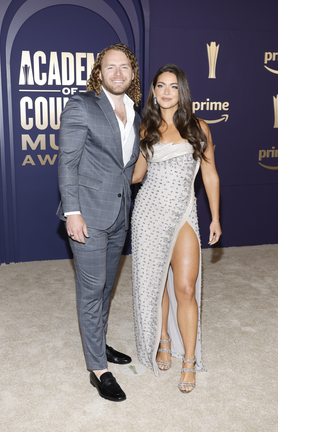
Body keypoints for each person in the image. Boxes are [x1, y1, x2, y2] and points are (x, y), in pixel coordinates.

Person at [56, 43, 142, 402]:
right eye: (111, 67)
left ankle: (99, 343)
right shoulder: (82, 105)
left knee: (106, 288)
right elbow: (67, 162)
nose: (118, 73)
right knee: (92, 292)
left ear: (133, 73)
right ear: (99, 72)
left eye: (124, 67)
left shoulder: (137, 112)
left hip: (120, 214)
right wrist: (72, 212)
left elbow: (128, 166)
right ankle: (97, 369)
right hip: (88, 216)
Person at [130, 63, 221, 394]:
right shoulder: (147, 129)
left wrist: (215, 217)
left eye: (173, 86)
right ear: (153, 91)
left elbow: (209, 174)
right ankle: (163, 339)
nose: (167, 92)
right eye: (161, 86)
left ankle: (189, 361)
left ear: (181, 91)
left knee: (184, 287)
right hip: (148, 214)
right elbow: (137, 176)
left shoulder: (199, 127)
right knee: (156, 286)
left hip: (184, 213)